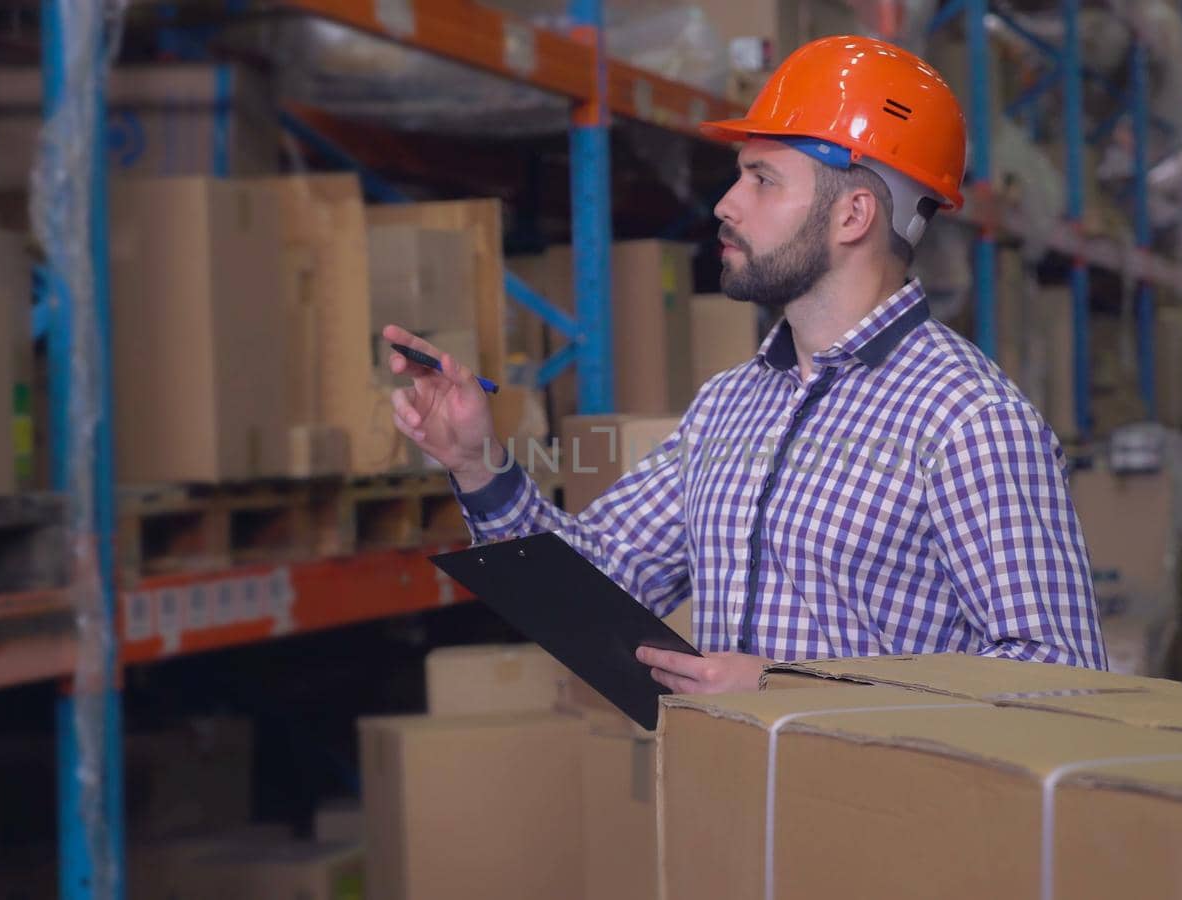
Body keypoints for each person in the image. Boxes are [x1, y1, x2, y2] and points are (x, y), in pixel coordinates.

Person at [385, 35, 1106, 695]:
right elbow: (602, 583)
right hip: (733, 818)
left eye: (763, 179)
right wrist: (478, 464)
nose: (726, 204)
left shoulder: (969, 420)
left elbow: (1060, 678)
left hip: (883, 829)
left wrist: (792, 688)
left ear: (853, 216)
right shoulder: (731, 403)